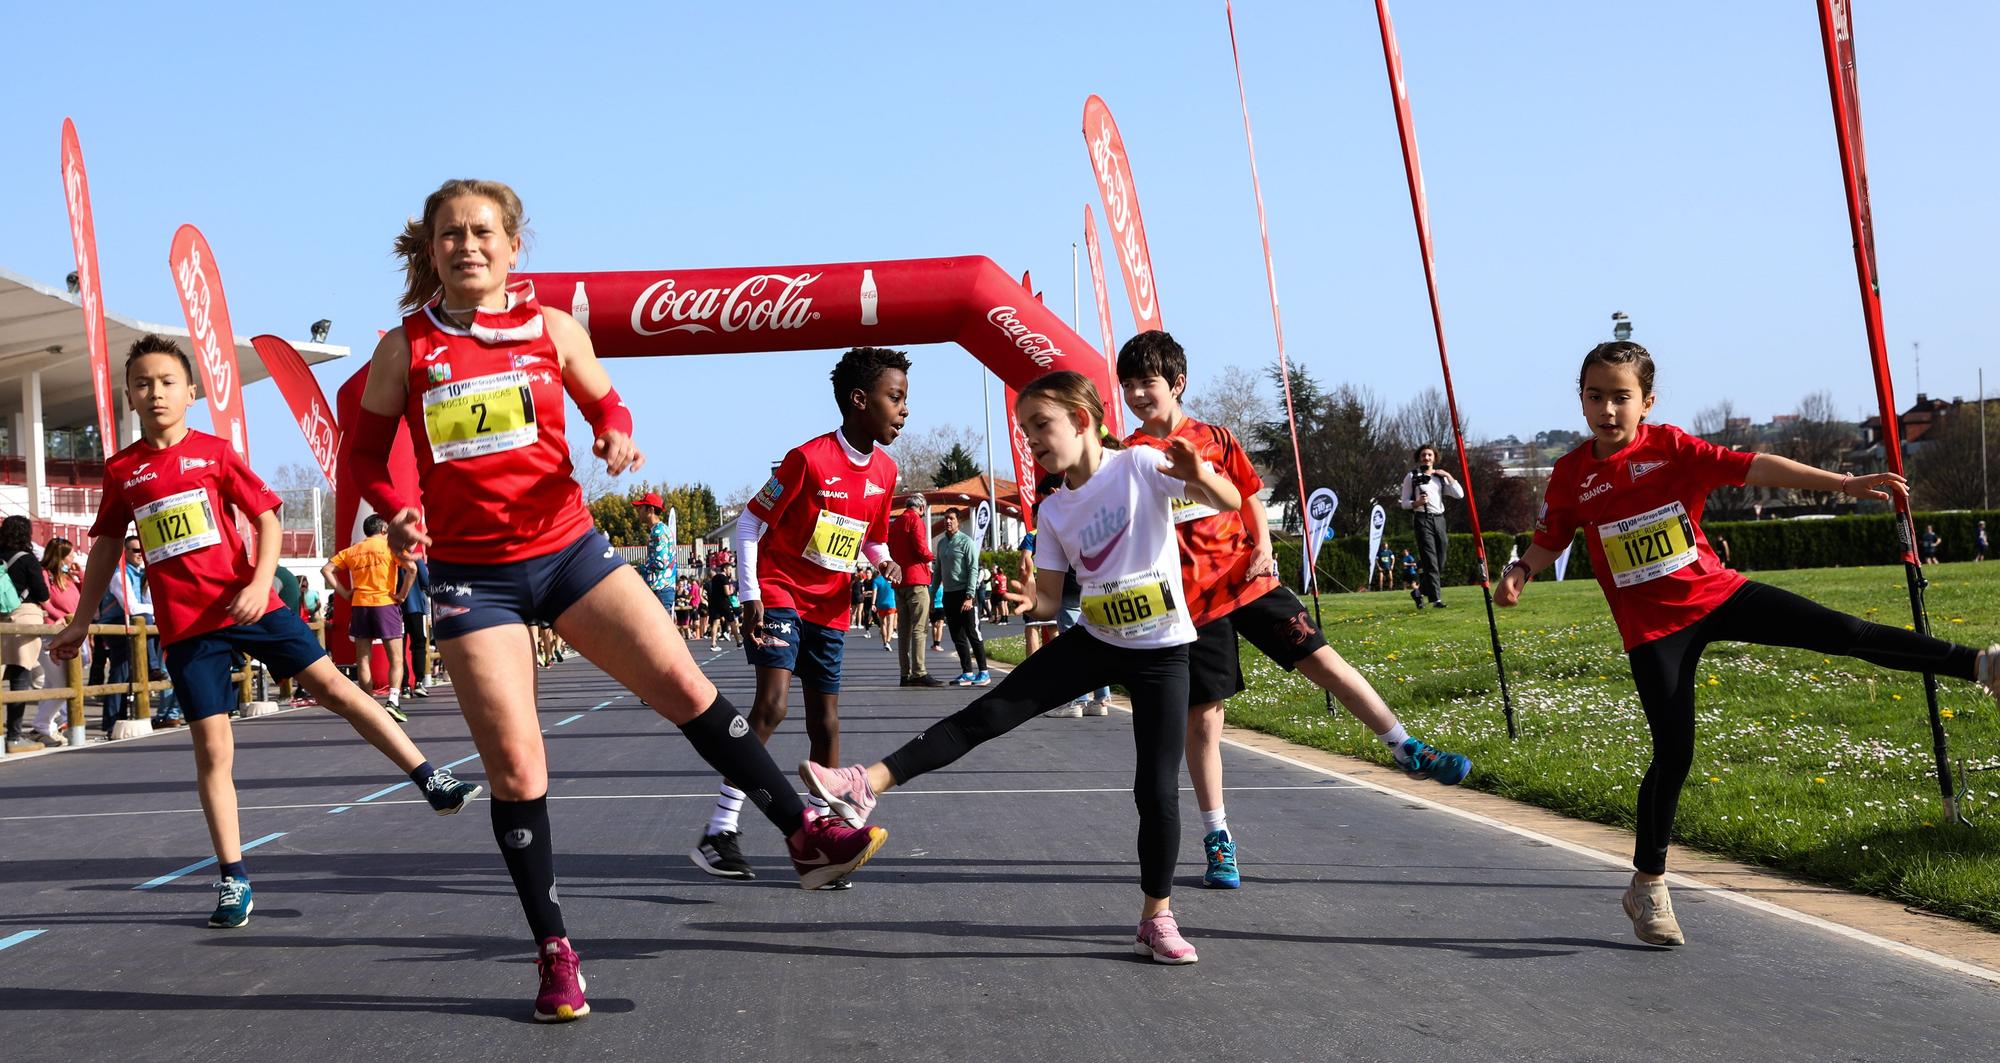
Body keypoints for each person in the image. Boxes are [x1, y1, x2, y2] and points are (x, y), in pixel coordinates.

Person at [352, 179, 886, 1020]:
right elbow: (364, 451)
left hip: (568, 552)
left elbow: (606, 397)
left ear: (513, 246)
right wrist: (393, 510)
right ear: (430, 250)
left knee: (685, 684)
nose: (467, 246)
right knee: (520, 766)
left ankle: (799, 829)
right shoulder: (406, 348)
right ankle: (555, 952)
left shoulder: (552, 327)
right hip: (471, 576)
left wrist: (615, 431)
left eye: (482, 231)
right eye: (449, 234)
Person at [1496, 340, 2000, 948]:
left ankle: (1979, 664)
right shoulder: (1572, 473)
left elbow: (1755, 465)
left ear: (1646, 402)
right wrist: (1521, 571)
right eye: (1595, 396)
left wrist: (1844, 481)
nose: (1607, 409)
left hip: (1718, 593)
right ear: (1580, 400)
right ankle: (1647, 886)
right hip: (1655, 631)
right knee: (1675, 752)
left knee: (1844, 633)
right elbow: (1551, 538)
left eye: (1621, 397)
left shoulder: (1673, 448)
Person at [804, 370, 1241, 964]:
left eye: (1041, 427)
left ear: (1082, 420)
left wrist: (1200, 476)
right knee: (985, 715)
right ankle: (865, 783)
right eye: (1024, 430)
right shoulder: (1056, 509)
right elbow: (1053, 600)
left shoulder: (1140, 466)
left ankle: (1156, 917)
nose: (1032, 441)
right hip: (1097, 640)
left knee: (1156, 792)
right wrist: (1025, 601)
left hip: (1164, 652)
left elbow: (1231, 501)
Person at [50, 334, 482, 929]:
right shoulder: (124, 470)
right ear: (129, 393)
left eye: (168, 382)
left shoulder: (214, 453)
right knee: (213, 749)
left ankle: (427, 775)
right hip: (188, 628)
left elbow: (267, 515)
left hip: (248, 605)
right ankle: (233, 879)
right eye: (144, 383)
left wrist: (258, 584)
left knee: (335, 686)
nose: (156, 393)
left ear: (191, 392)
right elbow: (102, 549)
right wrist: (80, 620)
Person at [1119, 330, 1470, 890]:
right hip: (1191, 606)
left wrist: (1261, 543)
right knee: (1205, 722)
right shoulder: (1131, 456)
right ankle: (1219, 840)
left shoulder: (1215, 439)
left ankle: (1405, 747)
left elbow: (1250, 497)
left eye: (1148, 383)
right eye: (1129, 385)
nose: (1138, 394)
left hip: (1248, 581)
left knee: (1324, 662)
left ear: (1177, 383)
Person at [702, 346, 905, 884]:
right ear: (859, 402)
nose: (904, 410)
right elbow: (748, 525)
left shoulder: (886, 470)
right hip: (780, 590)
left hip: (833, 605)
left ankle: (835, 842)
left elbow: (875, 541)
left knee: (827, 722)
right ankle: (720, 827)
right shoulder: (807, 459)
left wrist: (887, 566)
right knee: (771, 707)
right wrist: (750, 595)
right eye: (896, 398)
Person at [324, 514, 415, 721]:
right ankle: (393, 700)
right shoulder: (391, 547)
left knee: (363, 659)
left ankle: (368, 704)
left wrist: (344, 592)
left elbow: (327, 569)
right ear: (384, 530)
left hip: (361, 605)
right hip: (385, 604)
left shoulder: (354, 550)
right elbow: (413, 569)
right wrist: (401, 595)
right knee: (396, 658)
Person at [1, 517, 51, 754]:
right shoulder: (27, 559)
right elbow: (42, 594)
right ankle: (14, 736)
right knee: (20, 678)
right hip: (24, 617)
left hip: (1, 619)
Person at [30, 538, 83, 746]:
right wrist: (59, 616)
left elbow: (85, 595)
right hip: (50, 633)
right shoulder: (46, 575)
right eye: (70, 555)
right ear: (59, 556)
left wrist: (80, 574)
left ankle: (45, 727)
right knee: (63, 682)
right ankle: (41, 725)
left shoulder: (68, 577)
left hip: (68, 632)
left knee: (52, 683)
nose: (73, 559)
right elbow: (44, 600)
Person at [1399, 444, 1463, 609]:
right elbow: (1404, 503)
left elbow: (1459, 494)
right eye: (1423, 455)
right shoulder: (1411, 477)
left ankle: (1419, 593)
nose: (1426, 458)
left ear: (1434, 457)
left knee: (1440, 560)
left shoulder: (1439, 478)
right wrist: (1417, 503)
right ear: (1418, 458)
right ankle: (1436, 599)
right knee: (1430, 561)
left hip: (1439, 519)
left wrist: (1449, 475)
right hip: (1422, 519)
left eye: (1429, 455)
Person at [889, 494, 941, 686]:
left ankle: (905, 673)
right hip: (916, 580)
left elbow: (891, 550)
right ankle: (919, 672)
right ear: (920, 508)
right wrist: (931, 556)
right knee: (920, 628)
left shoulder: (895, 524)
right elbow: (921, 549)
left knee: (904, 630)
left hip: (899, 580)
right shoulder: (915, 521)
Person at [936, 509, 988, 685]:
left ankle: (984, 672)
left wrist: (969, 595)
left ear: (958, 521)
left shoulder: (967, 542)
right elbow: (937, 572)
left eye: (951, 518)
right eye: (945, 518)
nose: (948, 521)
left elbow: (974, 569)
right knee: (957, 636)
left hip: (965, 594)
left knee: (973, 633)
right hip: (948, 595)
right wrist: (932, 593)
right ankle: (967, 672)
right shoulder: (941, 544)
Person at [401, 557, 433, 698]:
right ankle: (419, 682)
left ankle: (405, 686)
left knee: (398, 650)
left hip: (396, 608)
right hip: (416, 608)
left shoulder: (390, 557)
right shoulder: (416, 559)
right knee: (419, 645)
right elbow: (426, 582)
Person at [705, 564, 735, 648]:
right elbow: (727, 592)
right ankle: (738, 640)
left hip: (714, 602)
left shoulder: (714, 579)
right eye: (729, 569)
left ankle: (713, 642)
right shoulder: (724, 578)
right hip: (723, 602)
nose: (730, 571)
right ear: (725, 569)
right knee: (732, 620)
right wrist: (731, 591)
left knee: (715, 623)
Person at [872, 566, 897, 650]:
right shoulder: (892, 579)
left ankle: (884, 642)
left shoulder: (876, 580)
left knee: (883, 624)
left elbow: (874, 593)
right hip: (891, 603)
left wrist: (873, 604)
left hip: (880, 604)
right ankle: (888, 642)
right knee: (890, 623)